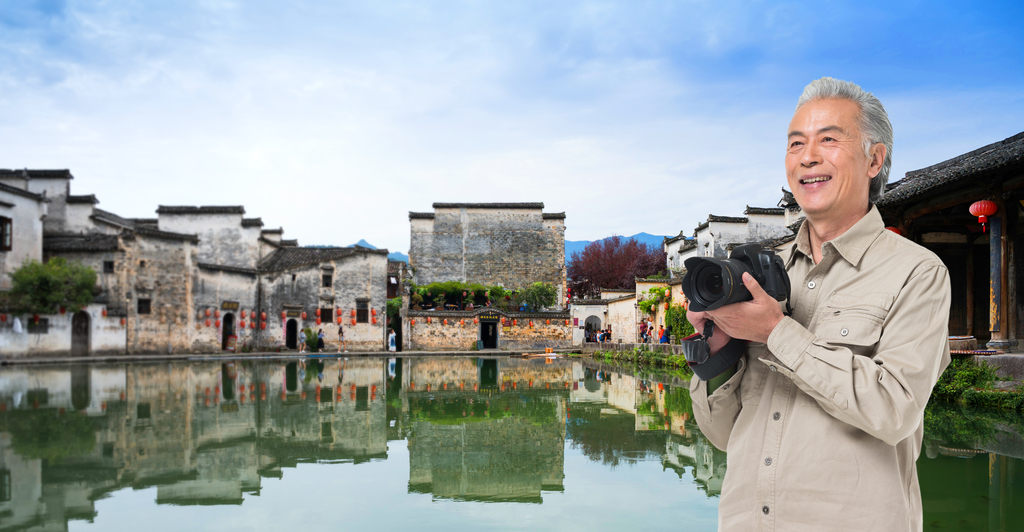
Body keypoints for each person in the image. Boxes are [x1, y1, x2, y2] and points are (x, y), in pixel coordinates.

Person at [686, 77, 950, 531]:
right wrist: (718, 350)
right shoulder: (760, 276)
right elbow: (724, 435)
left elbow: (894, 411)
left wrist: (776, 333)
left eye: (828, 139)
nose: (807, 156)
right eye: (795, 143)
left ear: (874, 158)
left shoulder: (918, 272)